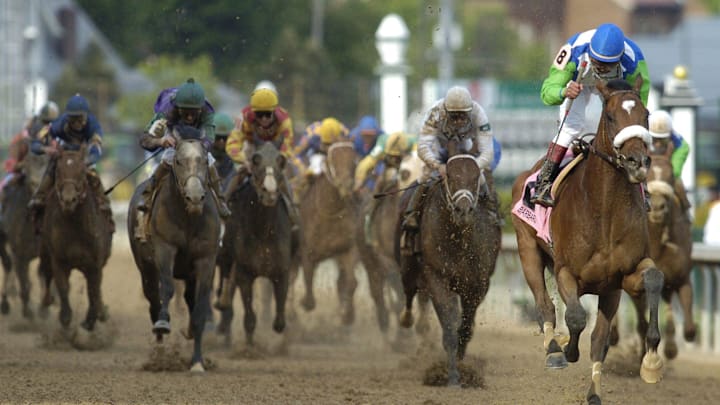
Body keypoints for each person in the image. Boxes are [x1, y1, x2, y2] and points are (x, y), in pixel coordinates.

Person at [531, 22, 650, 207]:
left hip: (614, 89)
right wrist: (563, 92)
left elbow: (639, 104)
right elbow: (547, 92)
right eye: (596, 62)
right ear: (590, 52)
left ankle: (642, 185)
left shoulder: (634, 61)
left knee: (629, 127)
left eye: (606, 65)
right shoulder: (573, 50)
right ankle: (544, 183)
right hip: (577, 85)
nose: (600, 69)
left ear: (619, 59)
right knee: (571, 127)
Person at [401, 86, 496, 233]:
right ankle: (412, 213)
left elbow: (488, 153)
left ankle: (491, 210)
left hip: (466, 145)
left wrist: (471, 168)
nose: (458, 121)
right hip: (439, 146)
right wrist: (437, 165)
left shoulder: (479, 114)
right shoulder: (435, 113)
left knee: (482, 175)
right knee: (426, 174)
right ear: (445, 111)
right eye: (454, 116)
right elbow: (423, 147)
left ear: (469, 112)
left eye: (462, 116)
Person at [137, 78, 231, 218]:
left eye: (194, 112)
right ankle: (147, 195)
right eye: (185, 111)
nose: (189, 116)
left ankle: (221, 200)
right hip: (174, 136)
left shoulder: (207, 110)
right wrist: (161, 141)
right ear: (177, 107)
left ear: (200, 109)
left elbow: (210, 137)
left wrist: (200, 147)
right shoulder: (166, 110)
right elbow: (144, 140)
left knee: (209, 160)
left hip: (197, 138)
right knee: (168, 158)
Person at [27, 94, 115, 231]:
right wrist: (46, 149)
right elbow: (35, 144)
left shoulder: (94, 125)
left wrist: (88, 160)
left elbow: (96, 147)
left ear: (86, 117)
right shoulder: (58, 125)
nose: (77, 123)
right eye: (73, 119)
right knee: (45, 183)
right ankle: (38, 211)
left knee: (95, 179)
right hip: (62, 157)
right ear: (67, 118)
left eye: (80, 118)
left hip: (84, 159)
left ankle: (106, 214)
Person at [224, 86, 299, 228]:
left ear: (274, 112)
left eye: (267, 114)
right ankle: (224, 205)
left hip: (274, 151)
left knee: (283, 176)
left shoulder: (284, 120)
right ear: (253, 112)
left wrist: (279, 161)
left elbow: (287, 145)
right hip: (252, 148)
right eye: (259, 115)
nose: (264, 119)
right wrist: (244, 161)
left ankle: (292, 211)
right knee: (237, 172)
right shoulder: (244, 117)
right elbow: (232, 143)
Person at [354, 131, 416, 246]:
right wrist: (359, 180)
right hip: (390, 169)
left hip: (409, 168)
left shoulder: (415, 144)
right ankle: (370, 219)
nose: (394, 159)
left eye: (397, 157)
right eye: (391, 156)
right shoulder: (382, 143)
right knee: (380, 183)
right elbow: (366, 163)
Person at [1, 101, 59, 194]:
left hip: (48, 175)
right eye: (45, 122)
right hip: (25, 173)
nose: (47, 127)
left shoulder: (56, 140)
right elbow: (12, 164)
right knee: (4, 186)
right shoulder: (21, 139)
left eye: (51, 123)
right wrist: (22, 165)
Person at [648, 110, 692, 213]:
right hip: (650, 163)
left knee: (676, 178)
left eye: (662, 140)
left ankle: (685, 209)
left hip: (670, 161)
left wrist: (672, 171)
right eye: (655, 139)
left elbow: (682, 151)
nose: (658, 144)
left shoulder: (679, 143)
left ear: (669, 135)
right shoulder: (644, 138)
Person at [211, 112, 236, 181]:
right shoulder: (205, 156)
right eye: (218, 137)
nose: (221, 141)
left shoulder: (235, 157)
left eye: (225, 138)